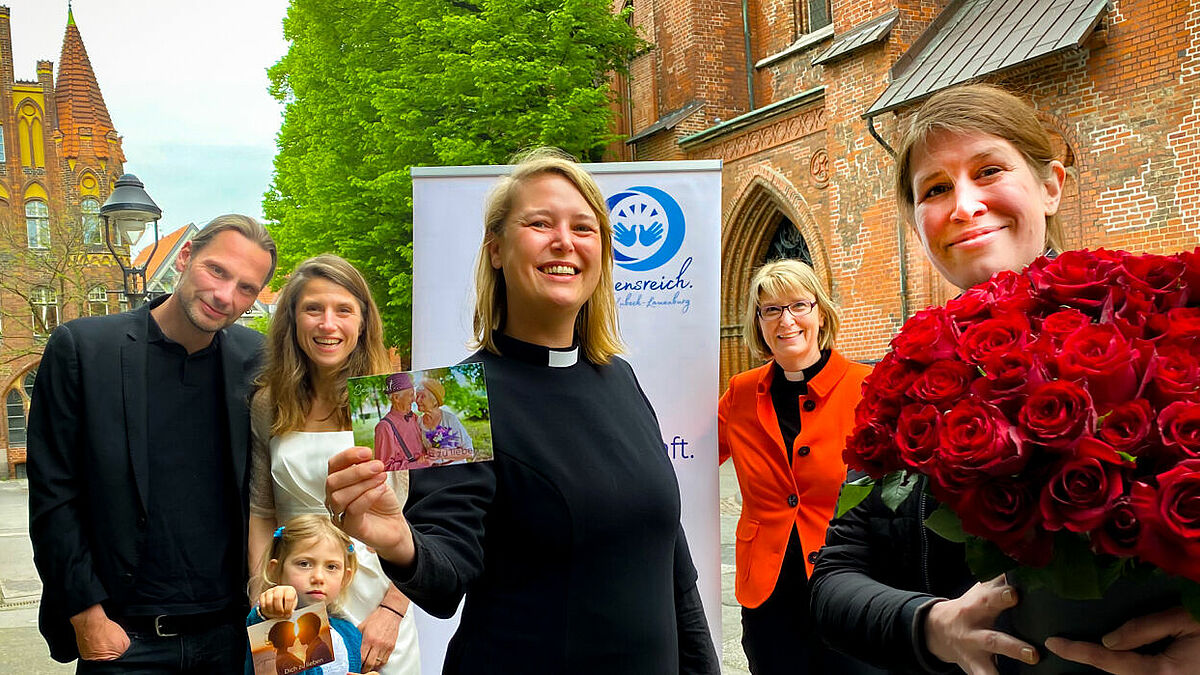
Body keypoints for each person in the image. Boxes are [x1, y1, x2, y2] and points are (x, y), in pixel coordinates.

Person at [809, 83, 1200, 675]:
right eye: (936, 189)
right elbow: (835, 577)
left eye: (989, 170)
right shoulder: (908, 387)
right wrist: (929, 625)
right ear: (918, 221)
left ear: (1050, 186)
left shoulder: (1162, 324)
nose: (964, 206)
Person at [325, 147, 720, 673]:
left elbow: (673, 563)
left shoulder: (621, 378)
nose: (565, 240)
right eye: (540, 223)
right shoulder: (453, 397)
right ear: (495, 249)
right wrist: (401, 542)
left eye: (584, 227)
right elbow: (446, 577)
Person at [27, 214, 276, 670]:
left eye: (246, 288)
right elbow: (54, 494)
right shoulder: (84, 349)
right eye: (217, 271)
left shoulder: (256, 359)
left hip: (232, 634)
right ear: (185, 257)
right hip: (124, 637)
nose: (226, 296)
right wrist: (86, 612)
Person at [249, 255, 420, 675]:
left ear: (363, 322)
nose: (328, 324)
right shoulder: (269, 402)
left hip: (380, 599)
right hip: (299, 595)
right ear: (291, 321)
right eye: (314, 309)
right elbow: (260, 511)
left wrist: (392, 612)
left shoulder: (393, 400)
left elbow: (426, 518)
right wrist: (265, 597)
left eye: (343, 310)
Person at [718, 258, 882, 675]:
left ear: (821, 314)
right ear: (759, 323)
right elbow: (691, 454)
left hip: (849, 583)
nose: (785, 320)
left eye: (798, 306)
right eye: (771, 310)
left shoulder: (867, 388)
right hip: (769, 595)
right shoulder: (740, 393)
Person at [246, 515, 367, 675]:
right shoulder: (270, 618)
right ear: (275, 570)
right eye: (304, 564)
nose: (318, 577)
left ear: (345, 577)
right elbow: (263, 625)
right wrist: (271, 611)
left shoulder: (350, 633)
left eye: (331, 567)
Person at [373, 373, 432, 471]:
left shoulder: (414, 417)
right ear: (396, 398)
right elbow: (385, 468)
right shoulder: (384, 427)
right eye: (410, 395)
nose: (414, 400)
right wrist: (418, 464)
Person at [415, 377, 474, 463]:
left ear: (434, 401)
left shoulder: (450, 419)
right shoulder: (419, 422)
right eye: (417, 396)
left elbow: (469, 451)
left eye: (422, 396)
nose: (417, 400)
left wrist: (442, 453)